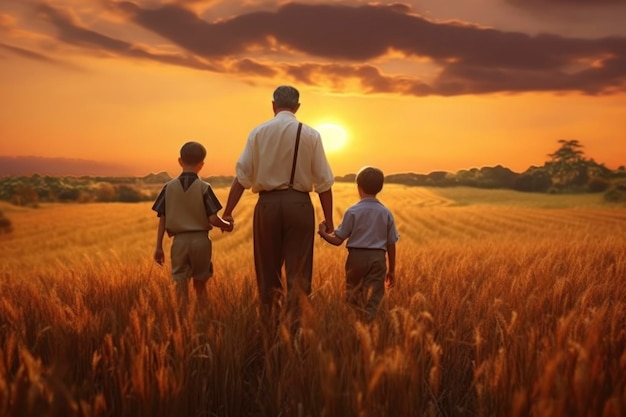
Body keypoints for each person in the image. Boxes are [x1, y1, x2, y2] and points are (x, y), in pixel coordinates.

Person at [222, 85, 335, 321]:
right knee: (299, 273)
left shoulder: (258, 133)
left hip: (267, 206)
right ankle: (296, 331)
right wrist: (329, 220)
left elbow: (242, 177)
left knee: (267, 270)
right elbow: (324, 183)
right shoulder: (311, 134)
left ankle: (271, 327)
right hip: (300, 206)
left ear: (273, 105)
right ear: (298, 107)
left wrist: (228, 212)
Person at [152, 141, 233, 302]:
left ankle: (182, 318)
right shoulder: (204, 187)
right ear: (202, 165)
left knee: (180, 285)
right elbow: (213, 218)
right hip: (201, 241)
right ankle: (201, 318)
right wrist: (227, 225)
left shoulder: (168, 187)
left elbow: (163, 219)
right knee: (201, 284)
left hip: (179, 242)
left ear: (180, 161)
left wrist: (159, 247)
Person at [318, 166, 399, 322]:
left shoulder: (352, 211)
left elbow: (337, 240)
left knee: (353, 296)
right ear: (380, 188)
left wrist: (323, 233)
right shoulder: (386, 213)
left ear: (358, 186)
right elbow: (391, 243)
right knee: (374, 297)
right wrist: (392, 269)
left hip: (356, 258)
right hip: (378, 258)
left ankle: (354, 326)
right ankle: (370, 326)